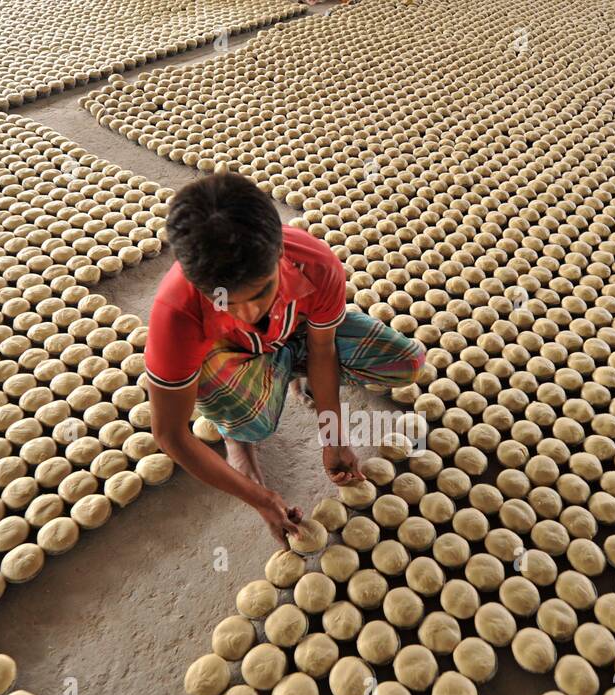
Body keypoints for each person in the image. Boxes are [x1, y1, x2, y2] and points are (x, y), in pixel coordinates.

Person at [144, 172, 426, 543]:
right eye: (227, 301)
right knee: (254, 424)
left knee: (405, 363)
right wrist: (260, 498)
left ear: (279, 254)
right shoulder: (176, 314)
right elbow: (170, 434)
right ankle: (238, 437)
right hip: (239, 356)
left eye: (261, 292)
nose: (247, 313)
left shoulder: (316, 264)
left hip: (298, 332)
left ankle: (294, 372)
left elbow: (323, 347)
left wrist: (333, 436)